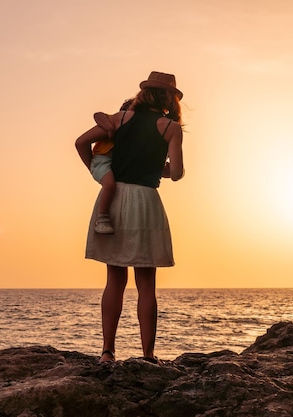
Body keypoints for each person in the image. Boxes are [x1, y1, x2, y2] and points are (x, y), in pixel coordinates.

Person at [75, 71, 185, 364]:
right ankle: (148, 354)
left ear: (144, 93)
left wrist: (98, 173)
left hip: (114, 199)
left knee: (114, 279)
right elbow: (175, 174)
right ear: (170, 98)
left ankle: (107, 351)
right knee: (146, 284)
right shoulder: (170, 127)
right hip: (145, 200)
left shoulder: (119, 119)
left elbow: (80, 142)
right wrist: (157, 166)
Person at [90, 98, 133, 234]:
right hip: (101, 160)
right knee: (109, 185)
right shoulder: (114, 123)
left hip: (111, 163)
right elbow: (98, 115)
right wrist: (109, 128)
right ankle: (102, 219)